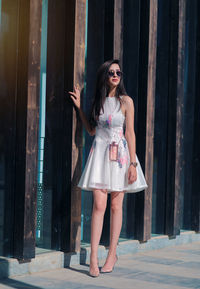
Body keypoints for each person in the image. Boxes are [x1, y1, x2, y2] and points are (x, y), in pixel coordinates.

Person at [69, 59, 147, 277]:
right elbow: (92, 132)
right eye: (111, 72)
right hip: (100, 154)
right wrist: (79, 109)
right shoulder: (98, 101)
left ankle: (112, 253)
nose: (115, 75)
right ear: (104, 75)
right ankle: (93, 258)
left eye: (118, 72)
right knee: (98, 205)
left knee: (115, 206)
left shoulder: (126, 101)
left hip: (121, 157)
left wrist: (133, 163)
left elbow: (129, 133)